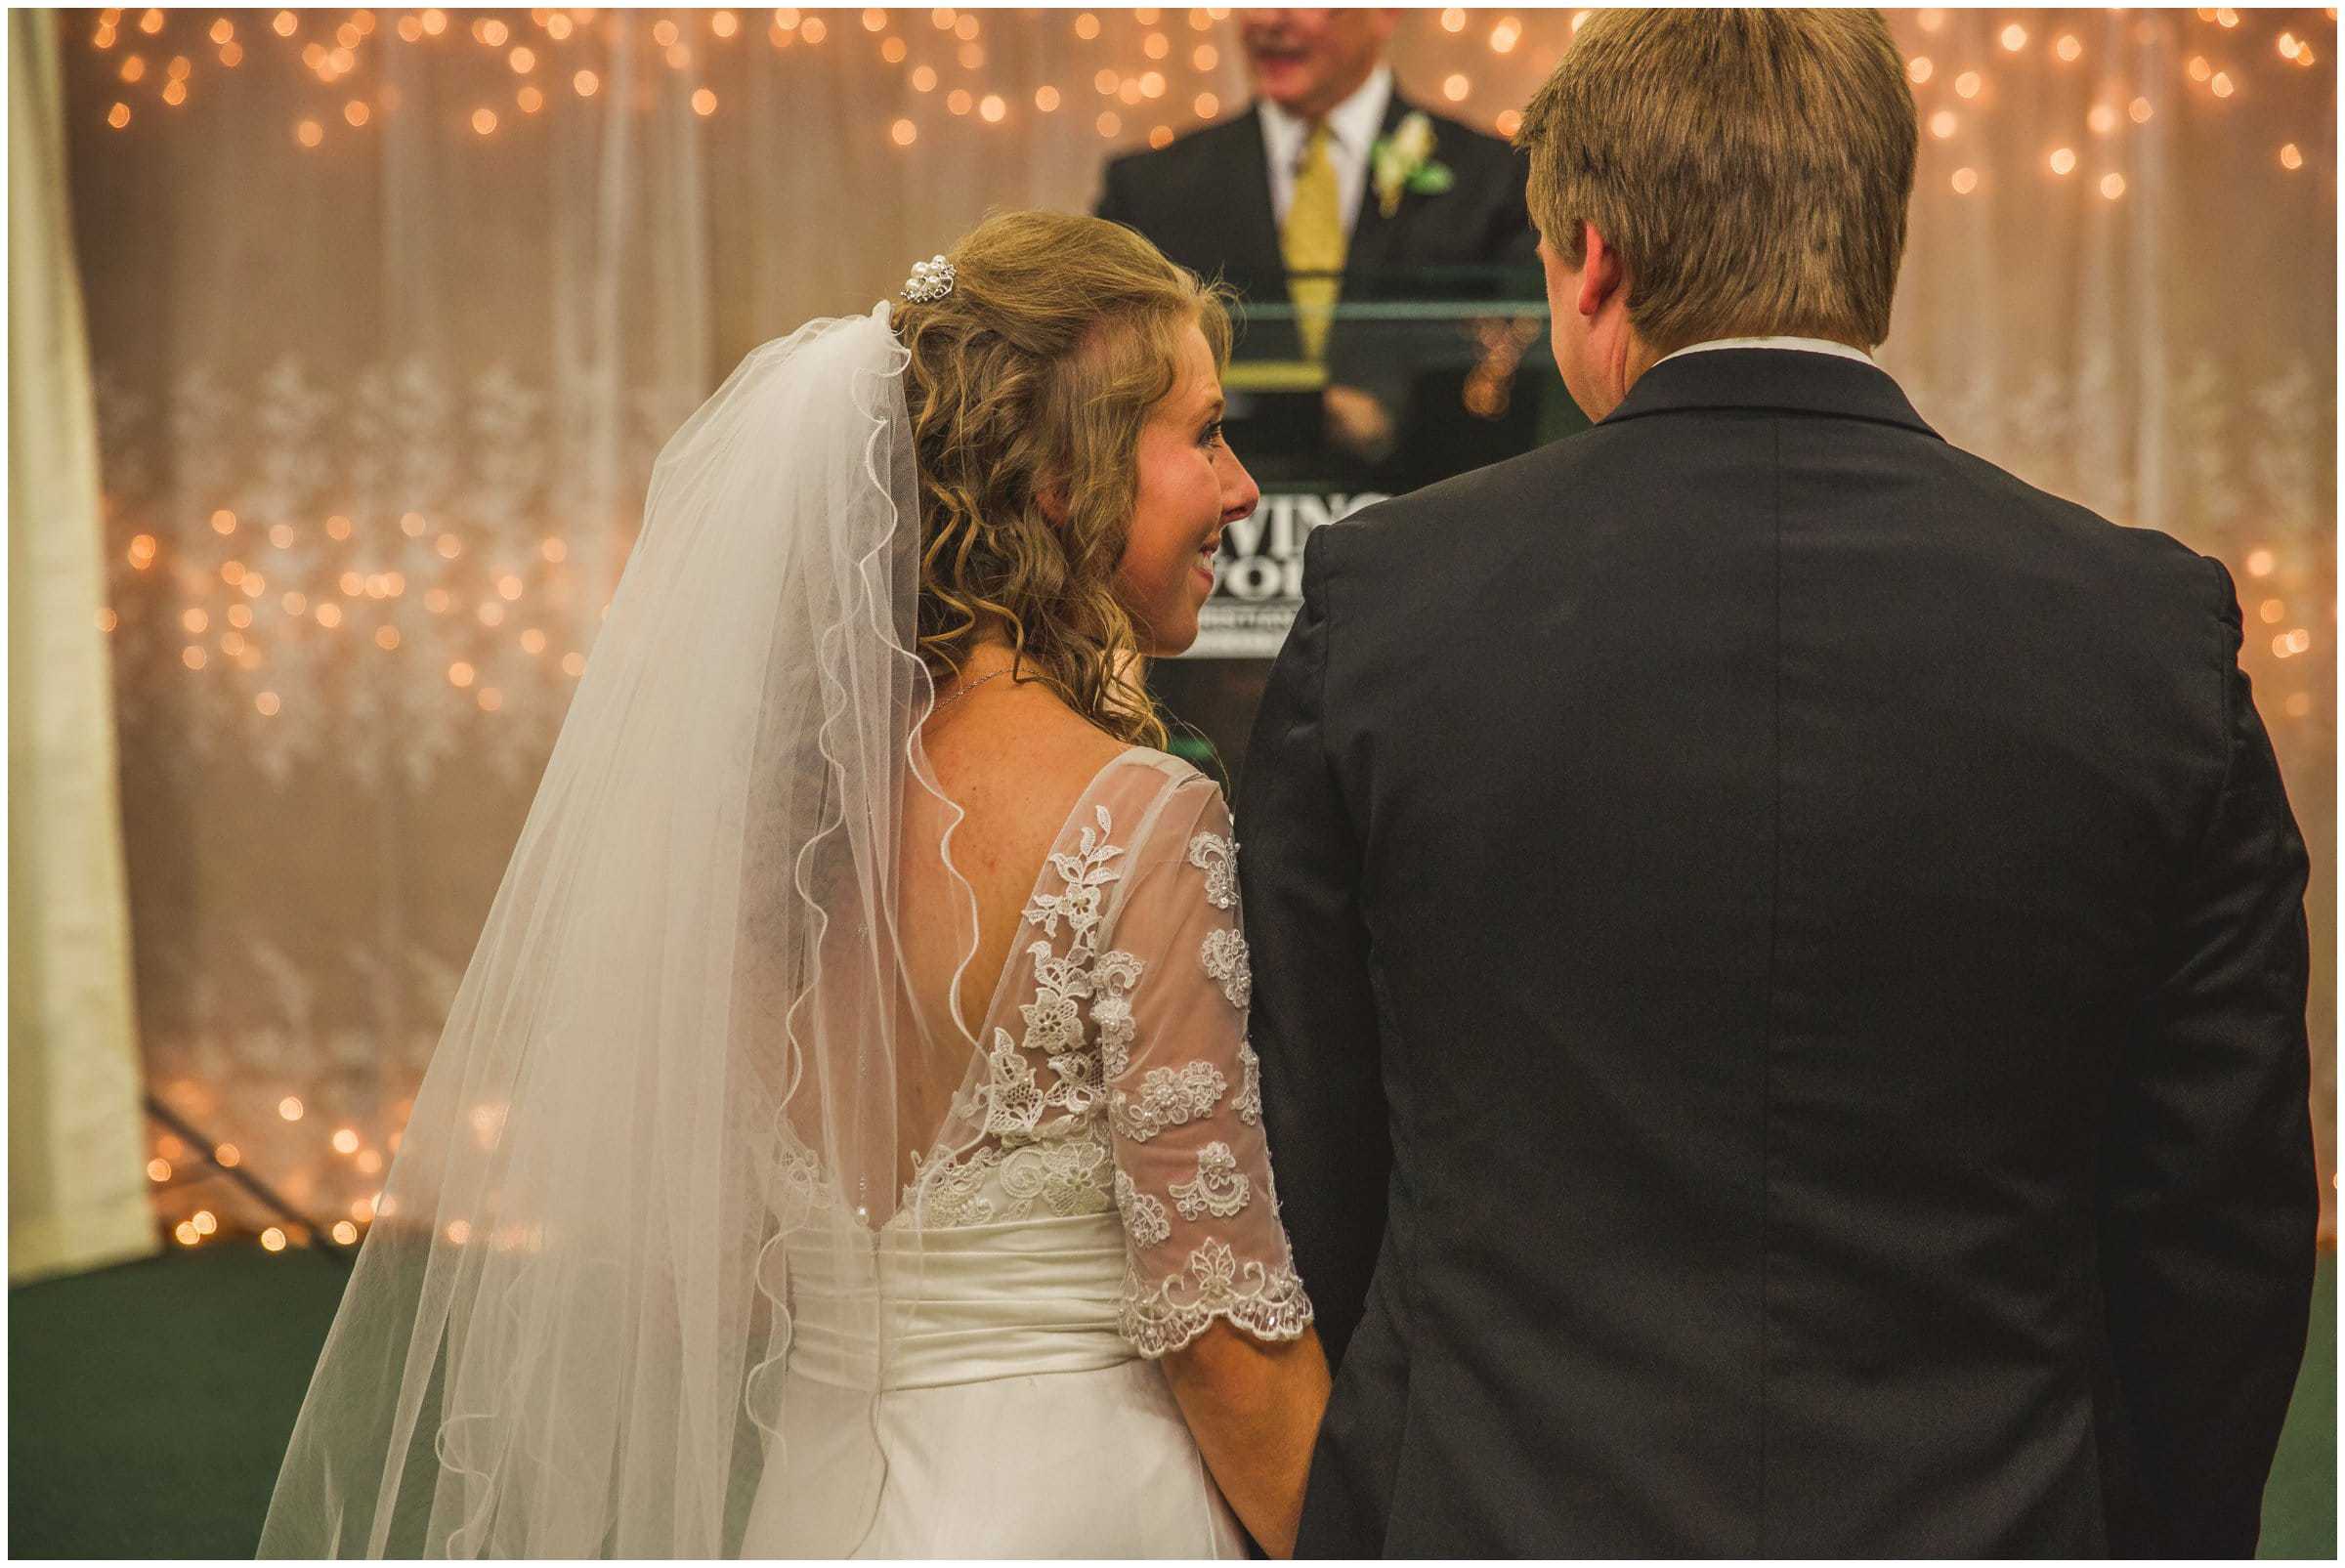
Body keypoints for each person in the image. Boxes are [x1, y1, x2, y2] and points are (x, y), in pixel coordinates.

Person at [1238, 10, 2316, 1557]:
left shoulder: (1382, 607)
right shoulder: (2147, 631)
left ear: (1590, 259)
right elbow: (2219, 1219)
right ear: (1875, 240)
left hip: (1496, 1509)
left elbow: (1311, 1154)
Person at [260, 211, 1330, 1559]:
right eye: (1204, 435)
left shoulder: (779, 812)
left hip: (818, 1507)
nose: (1240, 489)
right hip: (1080, 1507)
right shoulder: (1140, 817)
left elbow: (714, 1266)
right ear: (1064, 478)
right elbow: (1223, 1332)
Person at [1095, 7, 1538, 482]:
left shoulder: (1496, 179)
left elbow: (1517, 366)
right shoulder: (1150, 190)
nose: (1270, 20)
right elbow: (1111, 372)